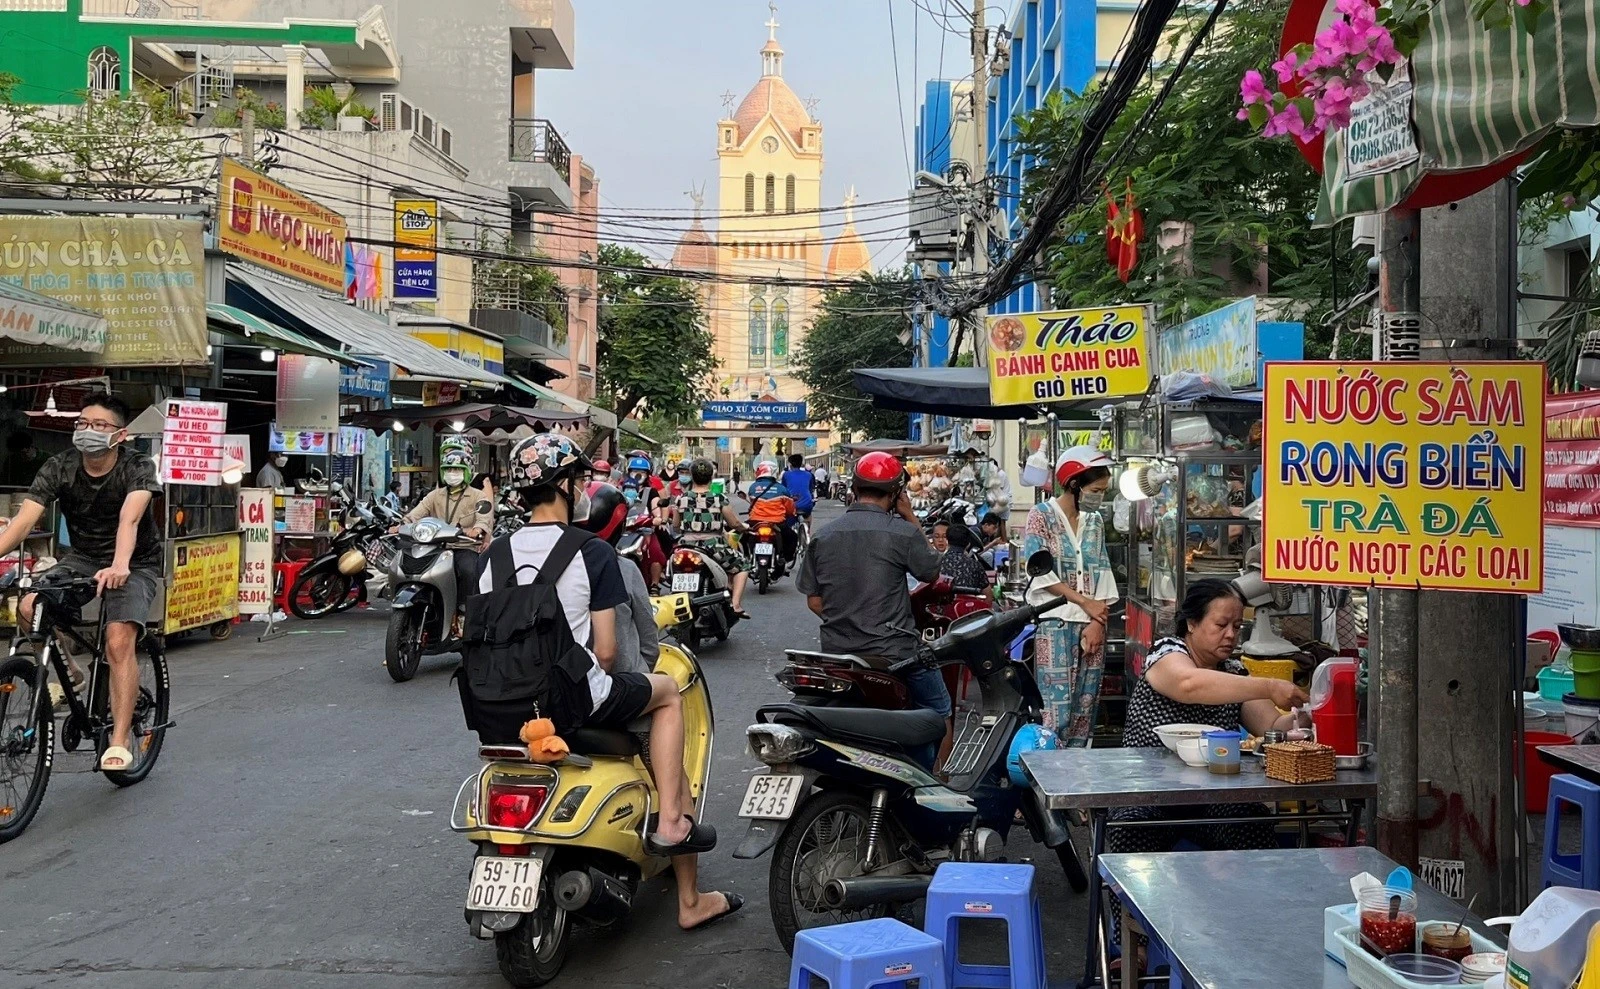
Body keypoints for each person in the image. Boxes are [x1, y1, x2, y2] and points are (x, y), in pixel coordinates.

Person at [495, 434, 739, 929]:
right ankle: (679, 854)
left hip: (503, 708)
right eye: (579, 479)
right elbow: (607, 652)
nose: (584, 487)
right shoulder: (595, 554)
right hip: (578, 703)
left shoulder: (493, 556)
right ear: (562, 486)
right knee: (667, 697)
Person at [0, 393, 162, 771]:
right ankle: (72, 672)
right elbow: (24, 521)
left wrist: (120, 563)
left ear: (120, 435)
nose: (88, 432)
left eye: (99, 426)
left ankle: (119, 740)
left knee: (119, 638)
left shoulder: (137, 466)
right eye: (82, 424)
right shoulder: (61, 465)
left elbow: (130, 520)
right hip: (83, 558)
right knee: (28, 607)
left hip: (134, 560)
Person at [1108, 580, 1310, 853]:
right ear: (1192, 623)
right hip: (1147, 790)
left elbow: (1272, 726)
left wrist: (1305, 715)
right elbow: (1188, 684)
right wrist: (1270, 685)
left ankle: (1256, 895)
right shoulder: (1165, 653)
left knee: (1251, 822)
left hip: (1212, 795)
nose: (1230, 635)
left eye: (1237, 627)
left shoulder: (1234, 672)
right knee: (1132, 832)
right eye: (1221, 625)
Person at [797, 451, 948, 726]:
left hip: (838, 653)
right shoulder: (904, 533)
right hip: (895, 653)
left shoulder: (823, 536)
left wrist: (851, 623)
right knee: (938, 710)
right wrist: (910, 515)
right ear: (896, 494)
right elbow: (931, 571)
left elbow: (814, 602)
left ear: (853, 489)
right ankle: (935, 771)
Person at [1021, 446, 1120, 746]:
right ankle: (1050, 781)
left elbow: (1102, 570)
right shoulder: (1041, 517)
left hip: (1091, 624)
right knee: (1055, 714)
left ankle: (1078, 783)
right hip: (1055, 626)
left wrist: (1098, 622)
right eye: (1095, 490)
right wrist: (1082, 601)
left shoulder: (1095, 523)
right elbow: (1039, 572)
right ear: (1075, 485)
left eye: (1103, 491)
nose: (1099, 497)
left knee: (1084, 713)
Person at [665, 458, 751, 617]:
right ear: (712, 476)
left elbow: (676, 525)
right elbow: (734, 523)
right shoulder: (718, 498)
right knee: (743, 565)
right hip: (713, 545)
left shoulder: (681, 498)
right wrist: (743, 527)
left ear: (691, 475)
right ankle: (736, 604)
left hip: (685, 545)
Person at [740, 460, 798, 561]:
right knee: (792, 537)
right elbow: (790, 509)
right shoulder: (782, 489)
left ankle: (746, 556)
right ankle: (785, 558)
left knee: (742, 537)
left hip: (755, 522)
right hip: (777, 523)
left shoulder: (753, 487)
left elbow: (752, 502)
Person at [935, 522, 990, 590]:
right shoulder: (975, 565)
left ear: (947, 542)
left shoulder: (936, 564)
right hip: (968, 600)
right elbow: (988, 595)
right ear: (968, 545)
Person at [781, 453, 816, 522]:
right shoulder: (809, 474)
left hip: (791, 504)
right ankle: (807, 530)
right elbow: (811, 489)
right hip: (807, 504)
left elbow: (783, 489)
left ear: (790, 464)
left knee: (787, 518)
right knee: (808, 515)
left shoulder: (786, 474)